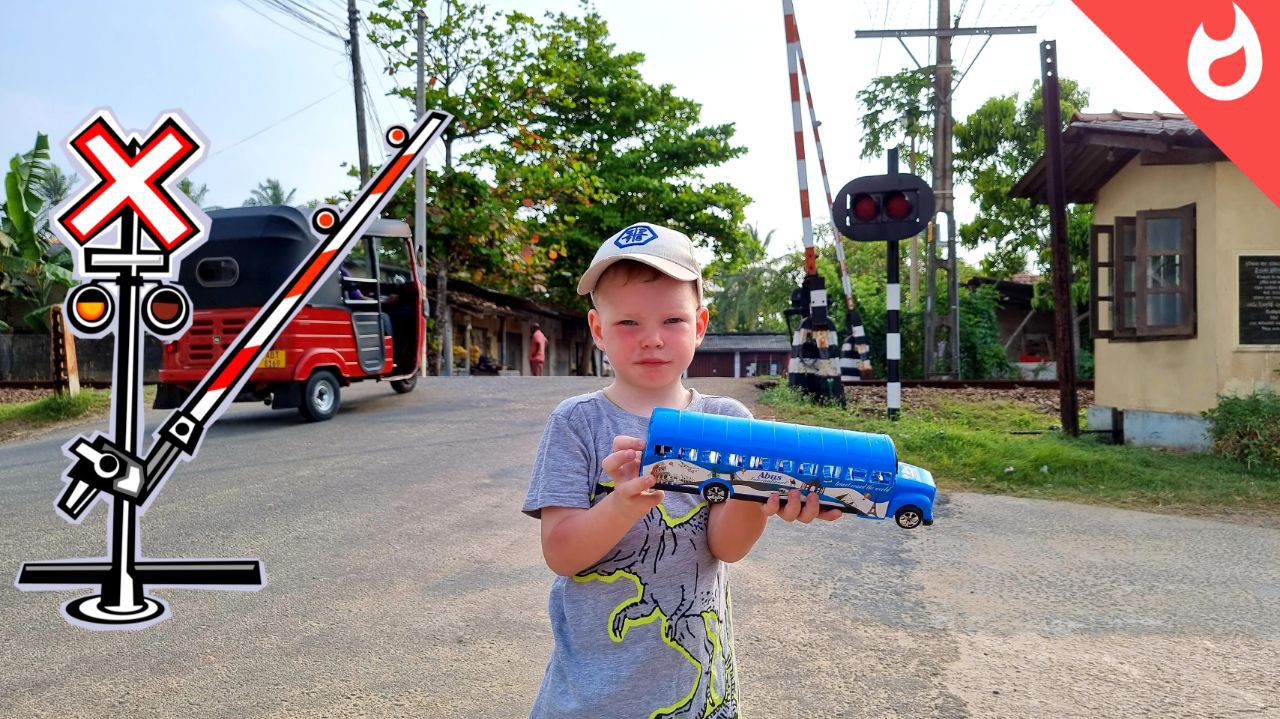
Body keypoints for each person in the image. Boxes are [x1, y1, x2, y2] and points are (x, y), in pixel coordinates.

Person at [522, 222, 842, 719]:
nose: (651, 339)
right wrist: (623, 501)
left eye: (672, 320)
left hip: (696, 695)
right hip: (588, 699)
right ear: (598, 330)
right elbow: (561, 554)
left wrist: (758, 493)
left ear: (700, 325)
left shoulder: (730, 424)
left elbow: (727, 547)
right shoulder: (577, 423)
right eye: (628, 323)